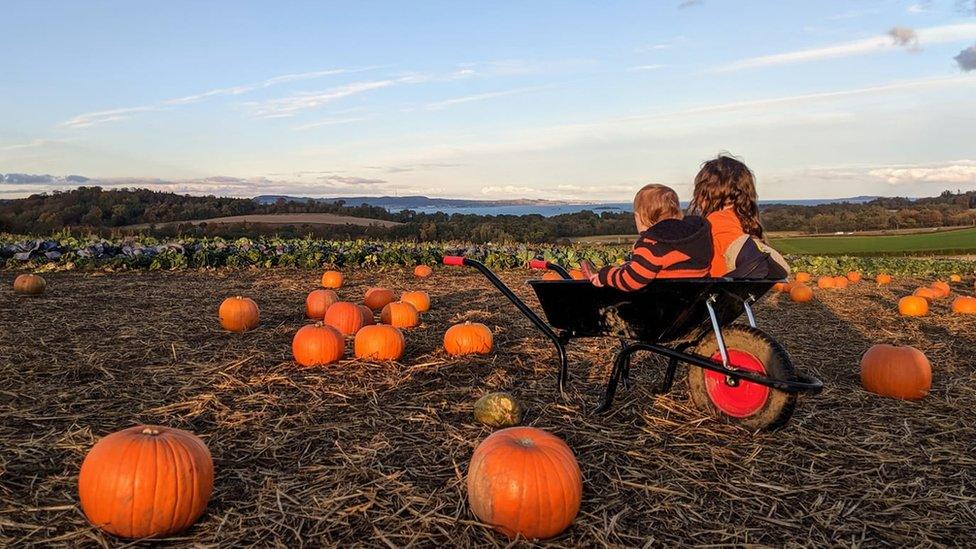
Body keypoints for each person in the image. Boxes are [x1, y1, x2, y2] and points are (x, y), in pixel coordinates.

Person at [585, 184, 712, 291]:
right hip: (694, 303)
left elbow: (631, 280)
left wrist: (604, 275)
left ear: (640, 218)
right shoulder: (696, 238)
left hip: (663, 304)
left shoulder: (652, 245)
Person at [689, 154, 789, 278]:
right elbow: (778, 269)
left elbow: (759, 265)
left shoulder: (718, 221)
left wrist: (720, 290)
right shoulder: (738, 220)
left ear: (704, 193)